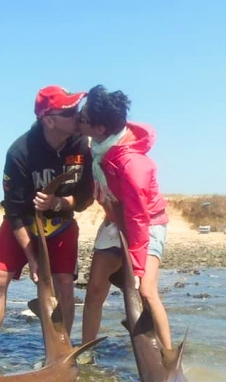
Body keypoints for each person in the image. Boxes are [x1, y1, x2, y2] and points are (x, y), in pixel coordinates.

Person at [0, 86, 94, 356]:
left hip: (61, 223)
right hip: (23, 223)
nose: (77, 116)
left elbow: (87, 196)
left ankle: (60, 350)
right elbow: (14, 211)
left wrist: (60, 202)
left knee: (64, 282)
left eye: (76, 110)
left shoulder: (81, 146)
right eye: (69, 112)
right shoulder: (20, 152)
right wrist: (32, 257)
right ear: (49, 120)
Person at [78, 85, 177, 366]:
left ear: (98, 128)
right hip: (114, 219)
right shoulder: (97, 148)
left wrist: (136, 265)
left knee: (145, 290)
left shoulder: (132, 165)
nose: (78, 119)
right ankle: (86, 352)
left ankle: (169, 358)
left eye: (83, 117)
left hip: (147, 223)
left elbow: (138, 218)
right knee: (95, 287)